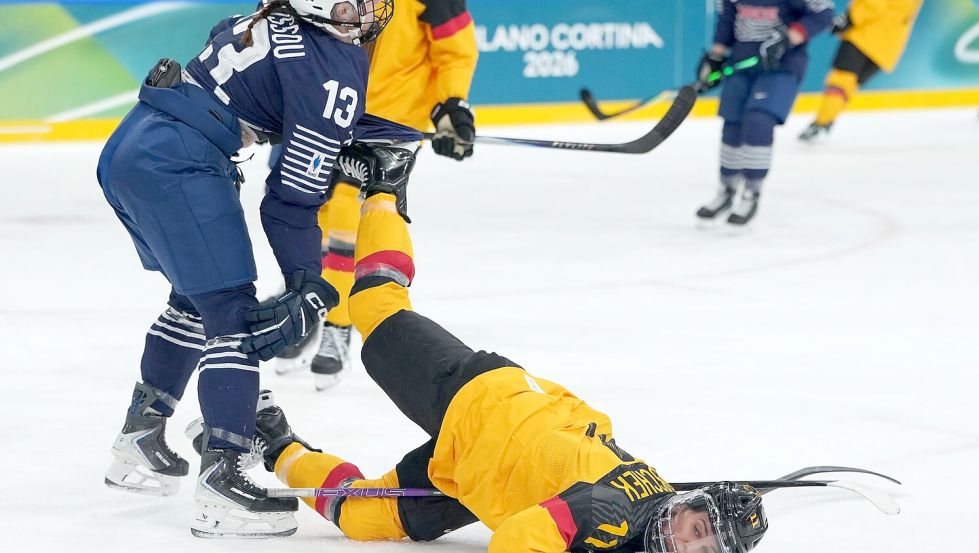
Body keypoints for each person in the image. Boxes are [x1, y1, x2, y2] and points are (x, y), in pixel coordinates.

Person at [218, 142, 770, 552]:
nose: (686, 546)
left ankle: (276, 440)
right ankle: (386, 189)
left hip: (476, 475)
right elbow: (515, 541)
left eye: (703, 552)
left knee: (364, 518)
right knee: (374, 306)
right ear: (686, 506)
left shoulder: (643, 518)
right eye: (696, 531)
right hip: (479, 401)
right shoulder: (613, 514)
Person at [97, 0, 420, 538]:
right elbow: (290, 203)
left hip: (136, 147)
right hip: (181, 162)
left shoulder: (273, 17)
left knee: (194, 298)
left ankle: (140, 439)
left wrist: (376, 131)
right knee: (234, 314)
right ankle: (223, 479)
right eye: (353, 1)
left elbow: (293, 99)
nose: (367, 10)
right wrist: (307, 282)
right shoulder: (334, 67)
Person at [272, 0, 479, 390]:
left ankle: (338, 322)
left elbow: (455, 47)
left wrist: (452, 106)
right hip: (331, 108)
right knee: (312, 209)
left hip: (391, 122)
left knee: (347, 217)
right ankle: (311, 296)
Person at [695, 0, 834, 226]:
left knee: (758, 121)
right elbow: (727, 18)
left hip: (781, 67)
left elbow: (823, 13)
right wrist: (716, 56)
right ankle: (726, 190)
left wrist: (789, 38)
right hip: (741, 63)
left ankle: (751, 192)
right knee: (732, 124)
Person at [799, 0, 923, 142]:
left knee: (840, 82)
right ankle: (826, 120)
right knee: (849, 86)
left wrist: (850, 19)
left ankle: (822, 123)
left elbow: (874, 4)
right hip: (890, 46)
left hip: (865, 35)